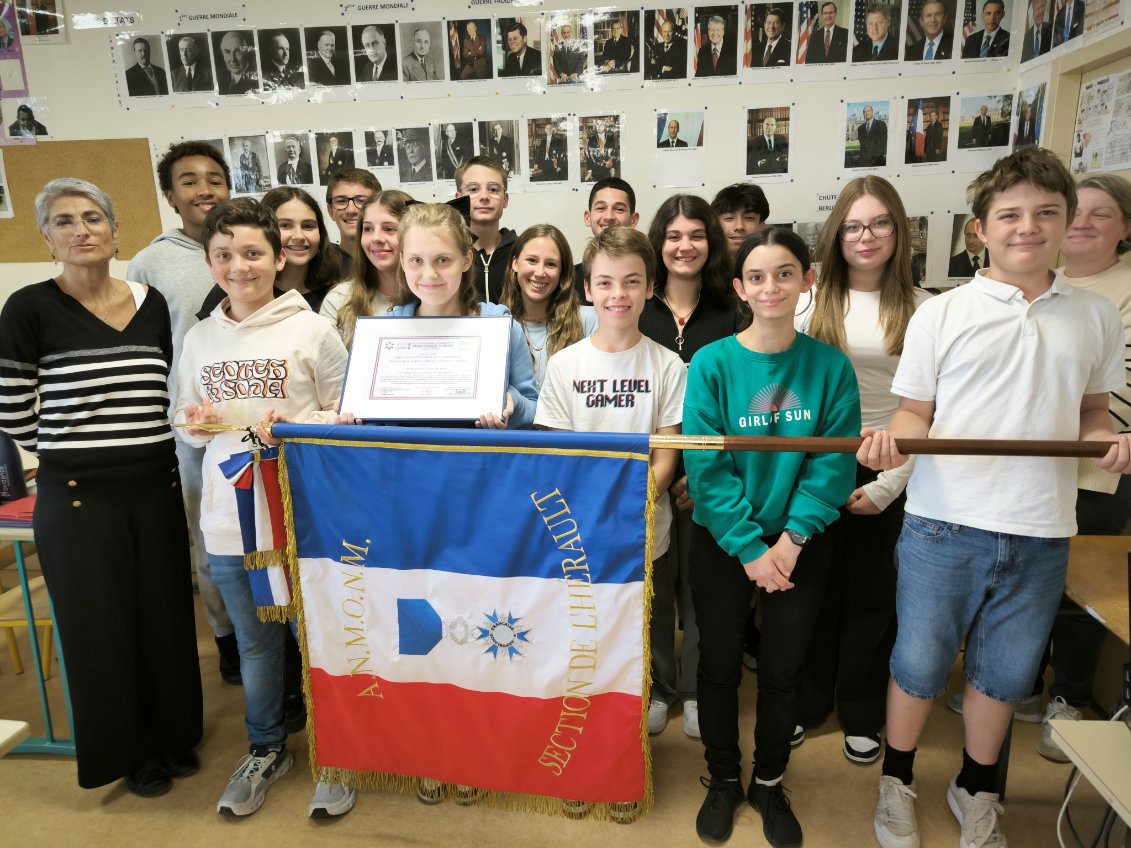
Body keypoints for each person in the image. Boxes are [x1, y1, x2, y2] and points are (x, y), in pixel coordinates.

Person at [863, 148, 1131, 848]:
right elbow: (913, 415)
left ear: (1065, 221)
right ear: (979, 229)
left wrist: (1106, 440)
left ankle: (975, 788)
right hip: (942, 525)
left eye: (1045, 212)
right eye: (1008, 214)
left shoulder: (1096, 317)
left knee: (1005, 675)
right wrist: (892, 443)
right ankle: (896, 780)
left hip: (1041, 527)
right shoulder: (941, 314)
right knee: (918, 667)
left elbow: (1091, 414)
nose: (1027, 227)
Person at [0, 178, 203, 798]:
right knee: (101, 628)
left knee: (166, 618)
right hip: (79, 494)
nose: (80, 230)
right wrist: (76, 446)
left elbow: (165, 384)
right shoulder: (28, 308)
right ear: (47, 237)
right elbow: (11, 412)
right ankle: (131, 752)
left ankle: (174, 737)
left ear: (116, 231)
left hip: (156, 483)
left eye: (93, 218)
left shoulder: (150, 303)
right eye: (64, 222)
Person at [175, 198, 351, 819]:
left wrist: (298, 426)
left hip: (302, 516)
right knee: (255, 643)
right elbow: (188, 417)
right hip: (230, 519)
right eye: (224, 255)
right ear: (209, 261)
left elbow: (345, 415)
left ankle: (338, 751)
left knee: (319, 638)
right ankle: (266, 746)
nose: (239, 266)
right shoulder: (200, 337)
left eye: (252, 253)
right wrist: (195, 423)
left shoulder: (311, 329)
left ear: (279, 258)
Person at [685, 227, 860, 848]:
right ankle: (725, 779)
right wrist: (750, 547)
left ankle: (768, 780)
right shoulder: (711, 364)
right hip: (725, 540)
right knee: (719, 665)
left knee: (784, 671)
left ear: (808, 280)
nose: (771, 287)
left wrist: (790, 541)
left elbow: (835, 466)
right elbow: (705, 469)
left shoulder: (830, 367)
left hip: (800, 544)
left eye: (785, 273)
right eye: (756, 276)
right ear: (738, 288)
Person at [799, 177, 932, 769]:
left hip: (893, 469)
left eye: (880, 223)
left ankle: (859, 709)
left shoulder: (928, 309)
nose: (866, 235)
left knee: (872, 599)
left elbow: (933, 410)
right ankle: (807, 700)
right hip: (814, 466)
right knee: (811, 593)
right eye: (853, 225)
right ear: (836, 235)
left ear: (899, 232)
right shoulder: (807, 302)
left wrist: (886, 484)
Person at [535, 224, 686, 720]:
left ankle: (659, 691)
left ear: (650, 288)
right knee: (590, 616)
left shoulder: (668, 366)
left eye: (631, 281)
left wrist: (636, 501)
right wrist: (593, 505)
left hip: (646, 521)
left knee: (652, 612)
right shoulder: (564, 365)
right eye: (605, 282)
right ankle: (593, 696)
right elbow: (556, 451)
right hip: (581, 523)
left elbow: (667, 450)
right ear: (586, 289)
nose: (617, 294)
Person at [126, 142, 239, 686]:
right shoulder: (150, 263)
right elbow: (143, 352)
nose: (205, 190)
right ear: (170, 196)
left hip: (254, 420)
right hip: (193, 428)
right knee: (208, 535)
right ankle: (227, 639)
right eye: (189, 181)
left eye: (215, 179)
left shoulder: (248, 244)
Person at [640, 195, 739, 743]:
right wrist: (665, 472)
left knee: (703, 593)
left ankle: (700, 690)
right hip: (652, 478)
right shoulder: (638, 308)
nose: (684, 246)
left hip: (712, 482)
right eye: (673, 235)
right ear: (658, 243)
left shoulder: (733, 311)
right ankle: (659, 688)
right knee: (654, 591)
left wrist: (700, 479)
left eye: (696, 235)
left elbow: (739, 405)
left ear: (711, 243)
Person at [390, 202, 538, 430]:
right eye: (416, 260)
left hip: (481, 460)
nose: (429, 274)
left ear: (467, 260)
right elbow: (375, 416)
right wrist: (357, 415)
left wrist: (512, 403)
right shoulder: (386, 330)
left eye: (443, 260)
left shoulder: (501, 327)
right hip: (407, 461)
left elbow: (534, 409)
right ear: (402, 261)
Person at [197, 187, 342, 316]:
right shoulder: (237, 286)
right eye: (285, 225)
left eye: (308, 226)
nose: (299, 236)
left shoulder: (336, 291)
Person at [499, 224, 598, 388]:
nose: (539, 272)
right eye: (532, 260)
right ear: (515, 263)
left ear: (562, 272)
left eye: (551, 264)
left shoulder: (590, 321)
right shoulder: (500, 325)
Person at [321, 190, 413, 347]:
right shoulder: (339, 300)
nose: (376, 238)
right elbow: (330, 369)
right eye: (368, 229)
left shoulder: (433, 295)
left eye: (390, 229)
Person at [455, 155, 514, 303]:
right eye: (473, 189)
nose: (484, 196)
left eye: (493, 189)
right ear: (458, 199)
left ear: (505, 200)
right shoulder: (449, 254)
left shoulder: (521, 252)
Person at [575, 176, 640, 291]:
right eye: (601, 208)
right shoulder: (568, 279)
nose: (609, 216)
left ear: (633, 220)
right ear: (588, 217)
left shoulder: (646, 274)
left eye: (619, 209)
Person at [325, 168, 381, 280]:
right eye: (341, 201)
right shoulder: (320, 267)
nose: (351, 210)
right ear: (331, 211)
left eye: (361, 201)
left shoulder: (394, 262)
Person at [712, 183, 770, 262]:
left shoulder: (775, 265)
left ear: (762, 225)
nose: (739, 226)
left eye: (749, 218)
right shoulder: (703, 269)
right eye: (729, 218)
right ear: (716, 225)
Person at [216, 31, 258, 95]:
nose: (233, 59)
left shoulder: (257, 81)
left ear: (246, 52)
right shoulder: (219, 80)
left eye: (237, 52)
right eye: (227, 52)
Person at [582, 116, 618, 182]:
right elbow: (589, 156)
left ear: (605, 126)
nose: (599, 126)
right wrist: (589, 171)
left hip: (608, 171)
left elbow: (614, 154)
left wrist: (613, 169)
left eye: (601, 124)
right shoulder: (592, 139)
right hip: (596, 171)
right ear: (595, 126)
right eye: (597, 124)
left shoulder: (610, 138)